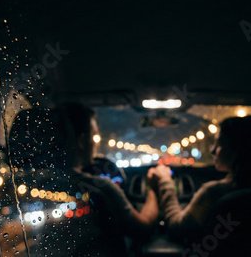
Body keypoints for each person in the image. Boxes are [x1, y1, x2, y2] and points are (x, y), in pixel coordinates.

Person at [9, 103, 159, 257]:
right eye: (93, 135)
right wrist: (154, 186)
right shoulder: (98, 188)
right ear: (81, 141)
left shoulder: (18, 186)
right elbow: (142, 230)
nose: (95, 142)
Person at [148, 116, 251, 240]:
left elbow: (178, 228)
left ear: (236, 148)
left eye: (219, 143)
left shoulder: (214, 192)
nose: (213, 150)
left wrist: (165, 182)